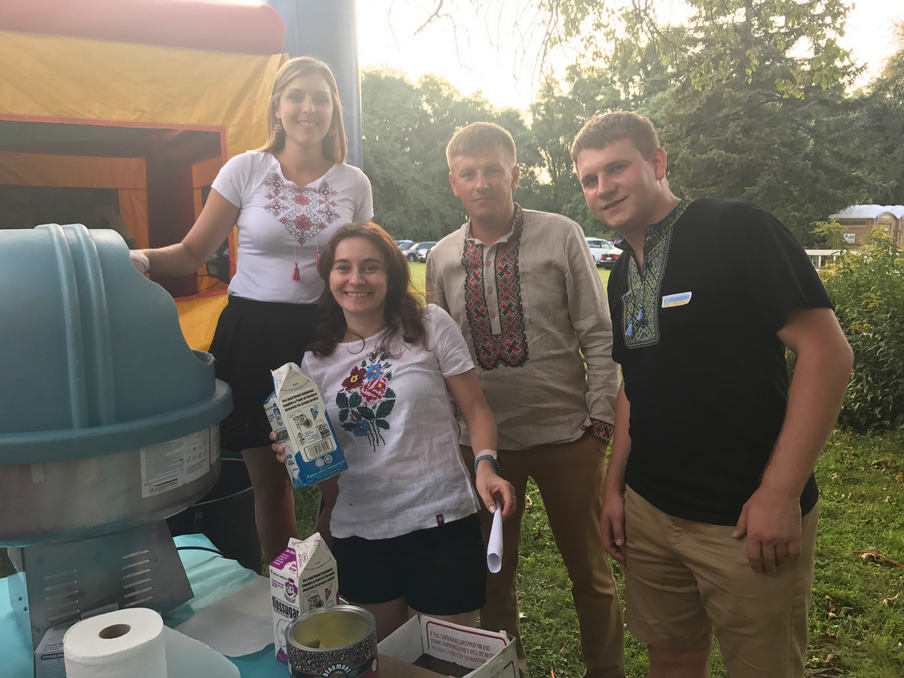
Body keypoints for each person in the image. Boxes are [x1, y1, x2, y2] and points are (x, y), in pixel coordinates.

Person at [571, 111, 854, 678]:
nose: (604, 187)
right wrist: (614, 488)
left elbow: (828, 354)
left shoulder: (736, 228)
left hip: (744, 521)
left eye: (617, 167)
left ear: (657, 162)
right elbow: (634, 384)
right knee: (671, 661)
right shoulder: (623, 274)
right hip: (651, 514)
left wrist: (779, 493)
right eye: (590, 179)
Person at [128, 57, 374, 561]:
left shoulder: (354, 183)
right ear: (277, 107)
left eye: (320, 98)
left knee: (339, 480)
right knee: (271, 484)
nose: (309, 108)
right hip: (252, 336)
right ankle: (288, 588)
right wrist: (136, 258)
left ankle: (326, 581)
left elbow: (366, 264)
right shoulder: (246, 169)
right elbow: (191, 252)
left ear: (334, 109)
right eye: (297, 96)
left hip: (326, 338)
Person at [426, 122, 626, 678]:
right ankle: (504, 669)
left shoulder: (560, 235)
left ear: (515, 174)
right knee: (492, 575)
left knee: (590, 572)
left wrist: (600, 422)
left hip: (568, 437)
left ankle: (606, 671)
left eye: (493, 170)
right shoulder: (441, 257)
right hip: (485, 451)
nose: (482, 183)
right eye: (469, 174)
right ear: (453, 183)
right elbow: (434, 354)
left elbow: (598, 333)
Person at [273, 221, 516, 640]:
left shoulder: (429, 325)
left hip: (441, 525)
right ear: (328, 276)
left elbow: (476, 410)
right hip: (361, 535)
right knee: (383, 660)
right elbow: (326, 454)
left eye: (370, 267)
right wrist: (296, 451)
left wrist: (486, 465)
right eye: (343, 267)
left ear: (390, 274)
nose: (356, 279)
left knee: (444, 661)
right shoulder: (315, 361)